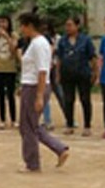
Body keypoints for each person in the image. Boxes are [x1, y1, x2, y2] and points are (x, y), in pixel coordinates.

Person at [17, 13, 70, 173]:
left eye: (22, 26)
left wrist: (39, 95)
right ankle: (59, 149)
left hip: (35, 87)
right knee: (29, 124)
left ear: (29, 26)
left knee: (28, 126)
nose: (20, 29)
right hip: (30, 85)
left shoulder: (39, 44)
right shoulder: (36, 43)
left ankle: (33, 163)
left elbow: (42, 71)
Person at [56, 17, 97, 137]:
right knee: (68, 100)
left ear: (77, 26)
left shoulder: (85, 40)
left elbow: (92, 58)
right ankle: (69, 124)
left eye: (70, 25)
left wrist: (95, 73)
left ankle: (87, 126)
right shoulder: (63, 41)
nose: (67, 28)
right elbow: (59, 58)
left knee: (85, 99)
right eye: (66, 25)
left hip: (83, 73)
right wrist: (58, 74)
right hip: (67, 74)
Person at [0, 16, 18, 130]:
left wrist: (7, 37)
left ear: (9, 23)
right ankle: (2, 120)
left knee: (10, 95)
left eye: (4, 22)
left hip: (10, 68)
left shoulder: (14, 34)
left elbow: (14, 50)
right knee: (0, 94)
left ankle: (14, 119)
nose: (1, 24)